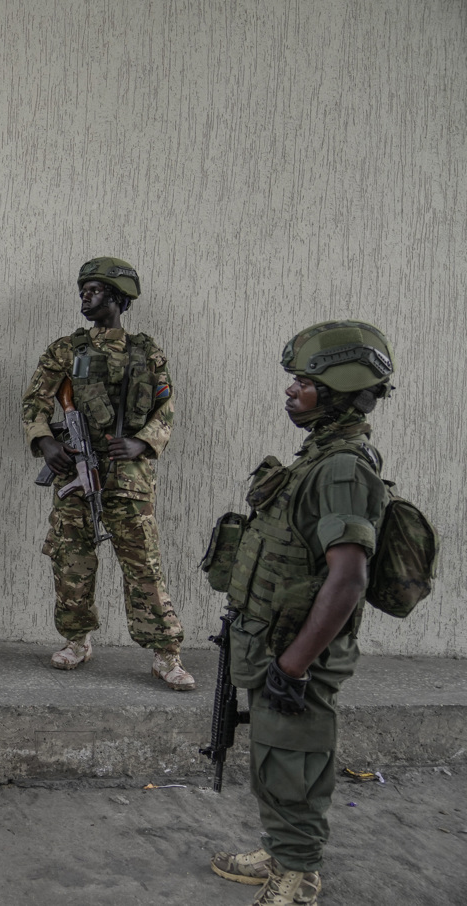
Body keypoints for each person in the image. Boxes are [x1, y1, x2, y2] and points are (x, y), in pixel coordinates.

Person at [211, 321, 395, 906]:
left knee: (296, 758)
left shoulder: (342, 469)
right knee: (274, 751)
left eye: (305, 381)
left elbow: (348, 580)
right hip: (279, 641)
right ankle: (280, 848)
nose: (292, 391)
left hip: (300, 653)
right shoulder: (319, 456)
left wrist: (292, 667)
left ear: (339, 391)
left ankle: (299, 873)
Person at [21, 257, 194, 691]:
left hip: (129, 473)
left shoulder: (146, 352)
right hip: (75, 467)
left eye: (95, 290)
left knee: (143, 564)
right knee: (70, 559)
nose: (86, 295)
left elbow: (165, 409)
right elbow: (34, 401)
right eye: (83, 289)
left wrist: (143, 442)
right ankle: (76, 640)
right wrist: (47, 443)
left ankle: (166, 653)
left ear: (118, 298)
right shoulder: (66, 349)